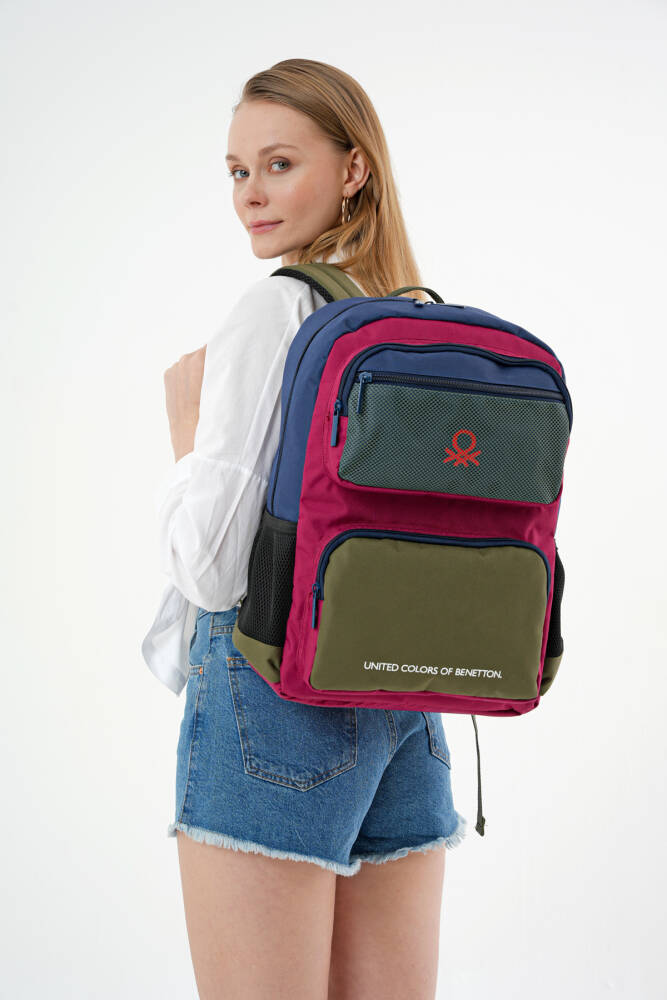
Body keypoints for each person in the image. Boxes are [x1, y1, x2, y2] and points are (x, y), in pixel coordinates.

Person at [142, 58, 468, 1000]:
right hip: (407, 701)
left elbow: (211, 570)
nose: (250, 194)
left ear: (353, 168)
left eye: (279, 164)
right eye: (237, 171)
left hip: (273, 696)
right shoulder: (414, 319)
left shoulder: (275, 307)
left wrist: (184, 441)